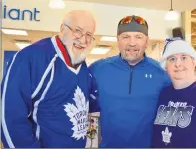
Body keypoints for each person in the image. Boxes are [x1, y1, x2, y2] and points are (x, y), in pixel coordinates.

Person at [1, 10, 97, 148]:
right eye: (78, 31)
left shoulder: (82, 64)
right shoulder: (30, 58)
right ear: (63, 29)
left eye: (89, 35)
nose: (83, 40)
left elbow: (91, 109)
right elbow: (9, 118)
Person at [89, 15, 171, 147]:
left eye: (138, 37)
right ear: (118, 40)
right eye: (125, 36)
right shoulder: (98, 69)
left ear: (147, 41)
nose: (132, 43)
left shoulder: (162, 74)